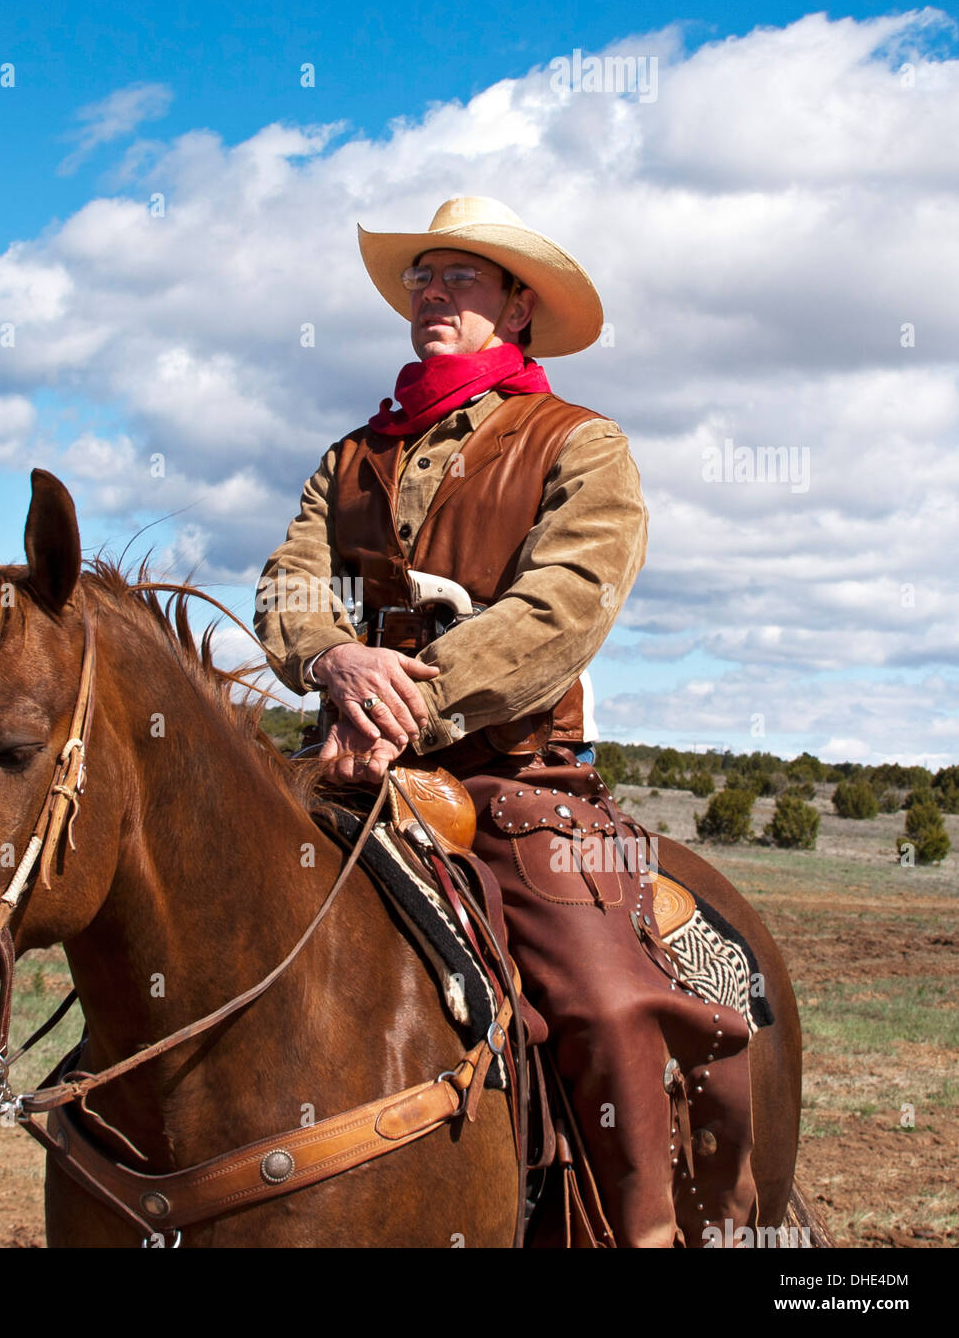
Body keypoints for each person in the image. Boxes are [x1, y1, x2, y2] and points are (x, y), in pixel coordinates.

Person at [253, 195, 758, 1247]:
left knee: (608, 1008)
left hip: (517, 788)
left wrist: (415, 698)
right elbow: (289, 581)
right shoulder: (348, 455)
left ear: (518, 306)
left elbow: (562, 607)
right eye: (420, 280)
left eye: (459, 280)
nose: (429, 296)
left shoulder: (580, 444)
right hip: (343, 763)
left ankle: (650, 1234)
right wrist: (332, 657)